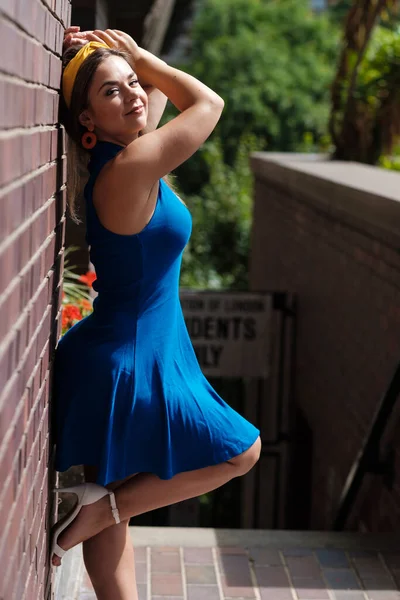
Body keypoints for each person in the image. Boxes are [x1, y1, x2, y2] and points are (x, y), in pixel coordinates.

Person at [51, 26, 261, 598]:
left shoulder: (128, 157)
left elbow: (155, 98)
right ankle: (100, 510)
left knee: (112, 508)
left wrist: (116, 60)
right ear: (87, 122)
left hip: (130, 347)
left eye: (131, 85)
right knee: (242, 452)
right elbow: (209, 103)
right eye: (111, 93)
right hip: (131, 359)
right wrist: (140, 57)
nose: (135, 94)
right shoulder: (133, 167)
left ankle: (100, 513)